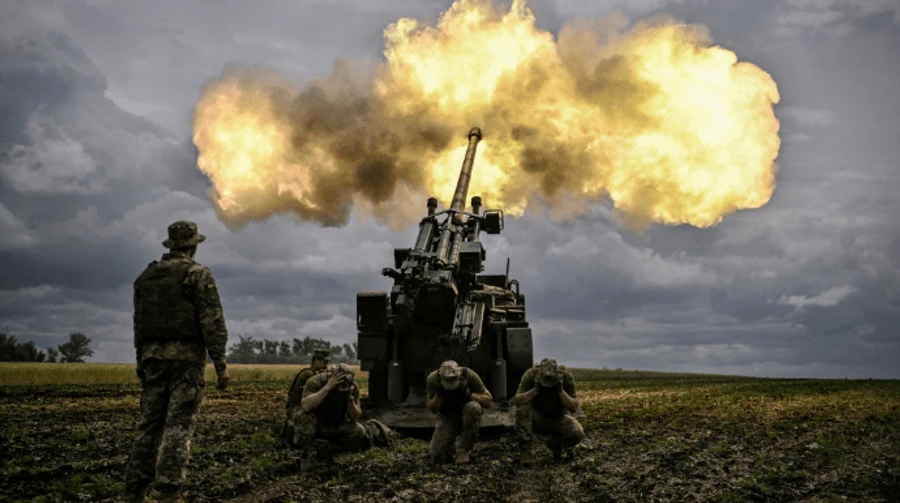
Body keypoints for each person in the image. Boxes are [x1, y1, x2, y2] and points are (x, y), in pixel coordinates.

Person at [121, 220, 230, 503]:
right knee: (178, 427)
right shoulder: (198, 274)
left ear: (171, 245)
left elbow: (139, 327)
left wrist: (140, 362)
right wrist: (220, 365)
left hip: (152, 360)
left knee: (148, 426)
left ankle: (134, 490)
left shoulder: (145, 278)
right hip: (186, 362)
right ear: (193, 245)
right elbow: (212, 323)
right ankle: (169, 492)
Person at [295, 363, 387, 471]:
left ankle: (328, 448)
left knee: (359, 430)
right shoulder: (316, 381)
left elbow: (354, 418)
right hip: (316, 425)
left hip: (335, 424)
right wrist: (327, 388)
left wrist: (350, 399)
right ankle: (307, 455)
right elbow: (306, 406)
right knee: (304, 417)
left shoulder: (353, 387)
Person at [513, 358, 585, 466]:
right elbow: (518, 401)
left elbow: (574, 407)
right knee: (523, 411)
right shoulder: (531, 375)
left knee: (577, 433)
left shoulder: (566, 377)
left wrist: (560, 391)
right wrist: (535, 390)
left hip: (558, 417)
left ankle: (557, 444)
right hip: (537, 418)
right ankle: (526, 452)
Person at [425, 360, 493, 464]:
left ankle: (464, 449)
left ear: (459, 374)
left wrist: (469, 394)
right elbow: (433, 409)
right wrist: (438, 395)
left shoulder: (468, 375)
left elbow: (488, 401)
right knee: (437, 456)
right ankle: (449, 446)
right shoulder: (433, 379)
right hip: (447, 415)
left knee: (474, 407)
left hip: (466, 412)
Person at [280, 348, 330, 446]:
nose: (325, 366)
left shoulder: (313, 374)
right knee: (307, 418)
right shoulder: (309, 374)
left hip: (304, 405)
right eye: (324, 362)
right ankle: (302, 444)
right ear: (316, 361)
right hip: (295, 407)